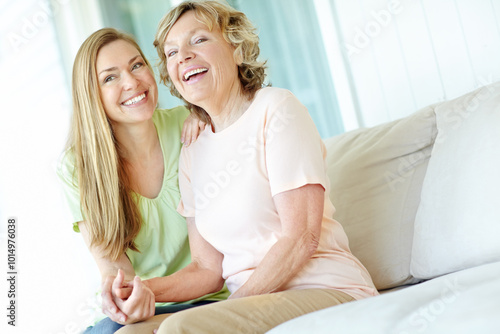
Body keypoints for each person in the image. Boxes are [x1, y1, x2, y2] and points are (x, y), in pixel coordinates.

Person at [110, 1, 381, 333]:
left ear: (237, 49)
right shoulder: (193, 150)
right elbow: (206, 269)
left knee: (178, 330)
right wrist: (145, 289)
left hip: (326, 289)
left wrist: (229, 309)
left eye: (198, 40)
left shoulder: (276, 109)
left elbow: (301, 238)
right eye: (172, 52)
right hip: (253, 304)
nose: (184, 56)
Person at [56, 27, 229, 334]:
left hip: (207, 300)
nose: (132, 82)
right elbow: (113, 267)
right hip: (143, 306)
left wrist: (144, 290)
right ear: (90, 95)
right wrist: (119, 296)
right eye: (110, 77)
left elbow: (212, 270)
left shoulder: (190, 128)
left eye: (137, 65)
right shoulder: (77, 168)